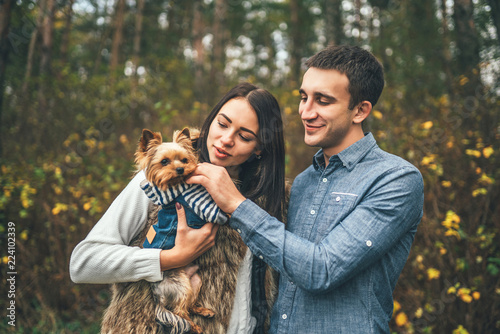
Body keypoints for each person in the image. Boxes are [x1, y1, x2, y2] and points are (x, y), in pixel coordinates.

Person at [186, 45, 425, 333]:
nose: (306, 111)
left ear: (360, 110)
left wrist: (236, 204)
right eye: (303, 97)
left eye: (323, 100)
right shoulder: (302, 183)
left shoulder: (395, 179)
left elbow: (322, 270)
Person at [69, 82, 286, 334]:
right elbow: (83, 263)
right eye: (222, 124)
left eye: (244, 136)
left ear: (259, 148)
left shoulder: (272, 201)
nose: (226, 140)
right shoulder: (161, 179)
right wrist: (169, 259)